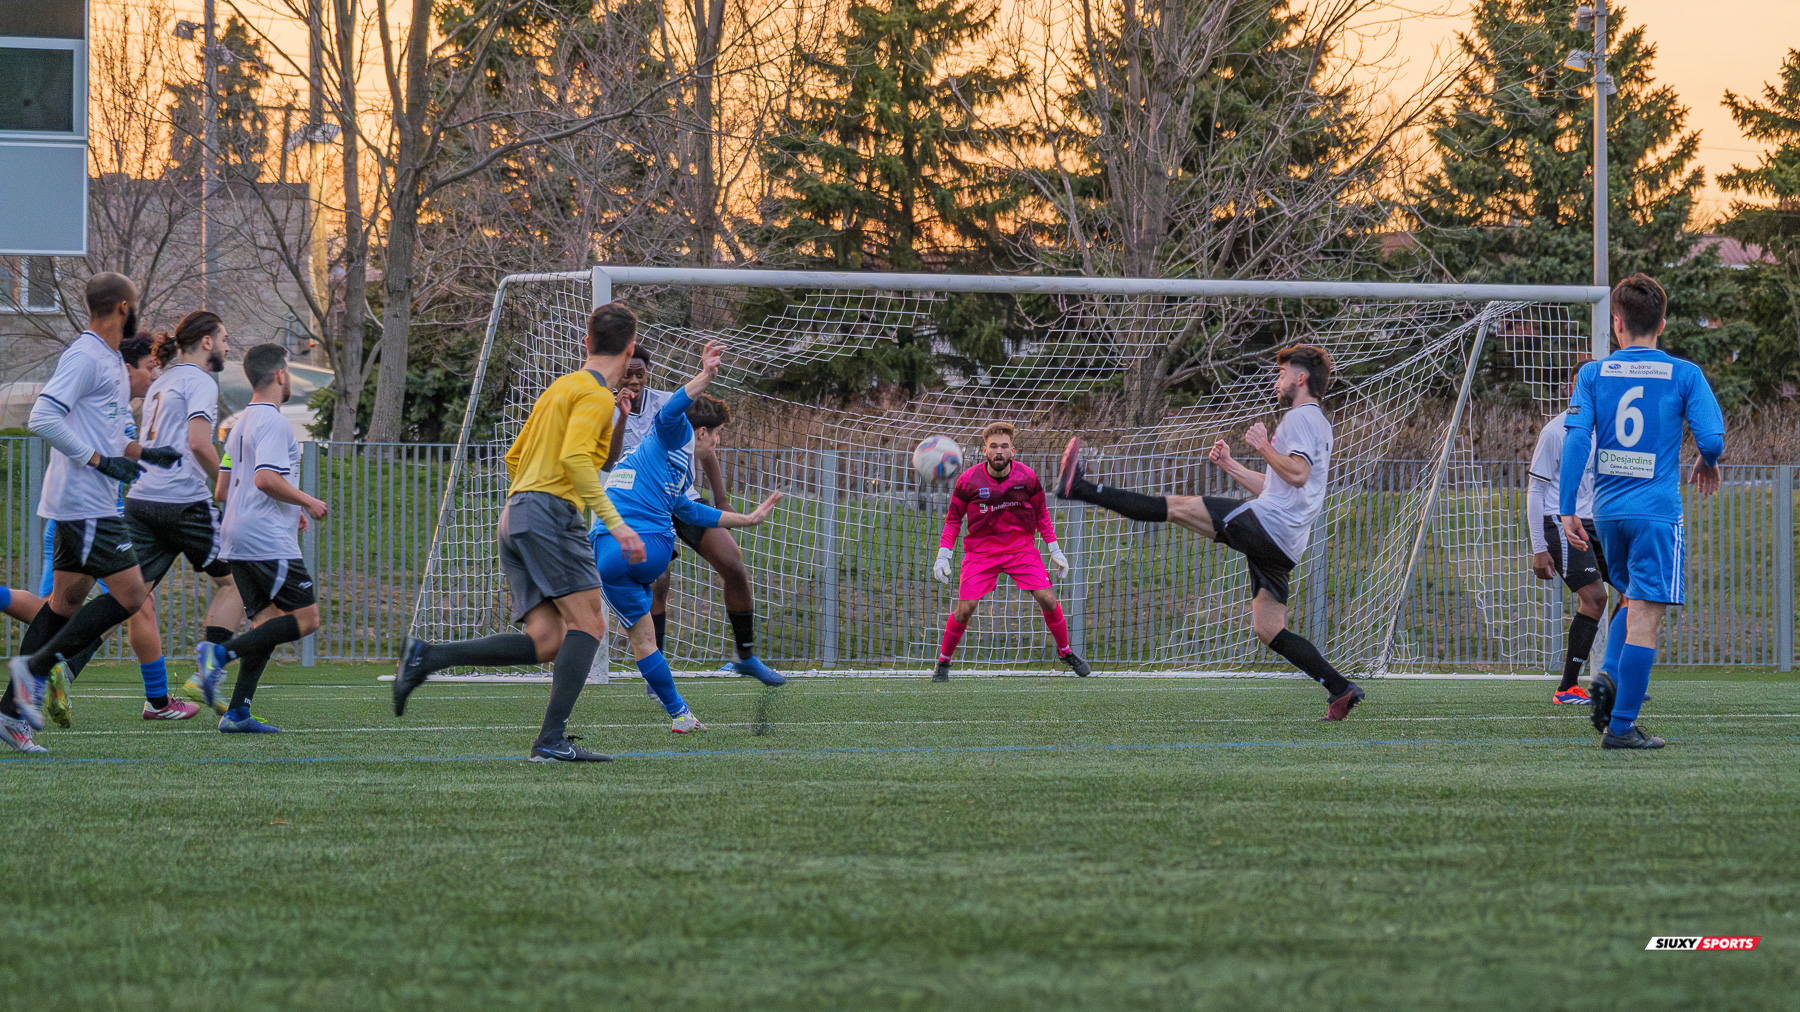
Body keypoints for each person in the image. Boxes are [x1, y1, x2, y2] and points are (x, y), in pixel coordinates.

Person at [392, 302, 648, 762]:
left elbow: (523, 457)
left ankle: (427, 657)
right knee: (591, 624)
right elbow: (575, 461)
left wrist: (618, 419)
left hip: (515, 514)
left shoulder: (561, 388)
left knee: (548, 640)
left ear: (586, 342)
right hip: (548, 514)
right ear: (630, 350)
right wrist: (617, 524)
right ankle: (550, 740)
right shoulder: (593, 396)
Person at [1056, 344, 1365, 721]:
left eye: (1282, 374)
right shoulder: (1318, 422)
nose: (1277, 380)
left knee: (1175, 507)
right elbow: (1279, 487)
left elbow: (1297, 474)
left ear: (1300, 379)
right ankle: (1340, 688)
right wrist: (1231, 465)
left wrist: (1262, 445)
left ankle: (1079, 488)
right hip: (1284, 542)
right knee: (1269, 629)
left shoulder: (1299, 418)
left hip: (1269, 525)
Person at [4, 273, 182, 750]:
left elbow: (112, 434)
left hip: (89, 502)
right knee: (133, 595)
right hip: (83, 502)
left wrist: (146, 454)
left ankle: (10, 715)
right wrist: (100, 462)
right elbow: (43, 417)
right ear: (123, 306)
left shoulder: (110, 359)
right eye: (135, 303)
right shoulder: (85, 355)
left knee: (62, 607)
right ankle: (35, 668)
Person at [1560, 274, 1724, 750]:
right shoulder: (1684, 374)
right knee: (1646, 615)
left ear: (1617, 324)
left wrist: (1568, 507)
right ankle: (1622, 727)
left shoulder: (1593, 374)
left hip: (1609, 513)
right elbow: (1712, 439)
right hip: (1655, 513)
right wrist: (1707, 461)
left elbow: (1577, 439)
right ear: (1662, 324)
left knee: (1630, 599)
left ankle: (1609, 674)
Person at [593, 340, 783, 732]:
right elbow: (660, 421)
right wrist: (706, 374)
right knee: (656, 582)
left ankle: (704, 689)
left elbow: (688, 506)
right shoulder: (663, 422)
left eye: (641, 373)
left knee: (725, 568)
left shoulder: (679, 451)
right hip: (645, 533)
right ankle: (667, 690)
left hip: (615, 537)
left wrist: (740, 516)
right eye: (718, 435)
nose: (718, 443)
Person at [195, 344, 332, 734]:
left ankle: (237, 713)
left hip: (237, 535)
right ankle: (219, 656)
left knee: (266, 623)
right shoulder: (274, 422)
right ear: (280, 375)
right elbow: (266, 479)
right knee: (306, 619)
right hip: (265, 538)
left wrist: (289, 509)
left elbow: (223, 489)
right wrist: (307, 501)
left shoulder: (239, 424)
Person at [123, 311, 242, 720]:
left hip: (142, 498)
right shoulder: (200, 381)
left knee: (128, 597)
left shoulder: (163, 379)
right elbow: (198, 443)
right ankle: (206, 672)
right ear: (206, 341)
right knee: (236, 582)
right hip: (182, 501)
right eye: (224, 338)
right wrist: (231, 486)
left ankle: (60, 665)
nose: (227, 346)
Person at [930, 421, 1086, 681]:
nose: (999, 451)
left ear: (1013, 451)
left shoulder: (1027, 477)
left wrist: (1055, 549)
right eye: (993, 446)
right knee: (965, 609)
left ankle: (1065, 652)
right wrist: (943, 554)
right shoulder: (967, 481)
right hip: (980, 553)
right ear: (984, 451)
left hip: (1020, 550)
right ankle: (943, 662)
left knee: (1048, 599)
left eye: (1004, 446)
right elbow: (953, 520)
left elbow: (1042, 515)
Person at [1526, 365, 1611, 706]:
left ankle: (1616, 678)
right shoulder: (1555, 431)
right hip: (1560, 522)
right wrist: (1538, 547)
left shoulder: (1607, 430)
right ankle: (1567, 688)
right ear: (1576, 388)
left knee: (1636, 590)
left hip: (1598, 523)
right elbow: (1535, 490)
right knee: (1594, 598)